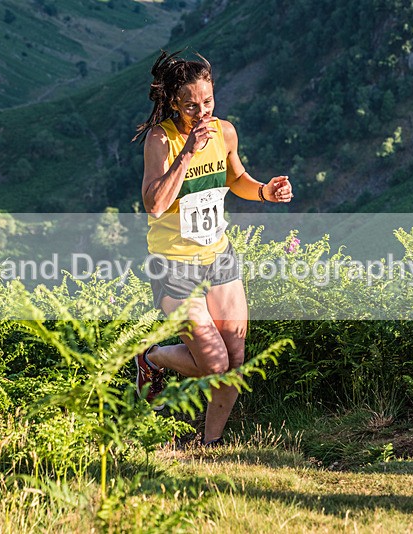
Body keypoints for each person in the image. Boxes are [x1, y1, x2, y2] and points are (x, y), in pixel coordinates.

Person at [132, 50, 293, 447]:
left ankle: (211, 444)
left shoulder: (225, 132)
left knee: (234, 358)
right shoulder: (161, 140)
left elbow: (236, 179)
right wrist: (187, 152)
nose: (202, 112)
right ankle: (152, 358)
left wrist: (265, 192)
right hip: (174, 265)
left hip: (218, 255)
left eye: (208, 101)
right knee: (216, 363)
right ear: (174, 102)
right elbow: (154, 204)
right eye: (191, 105)